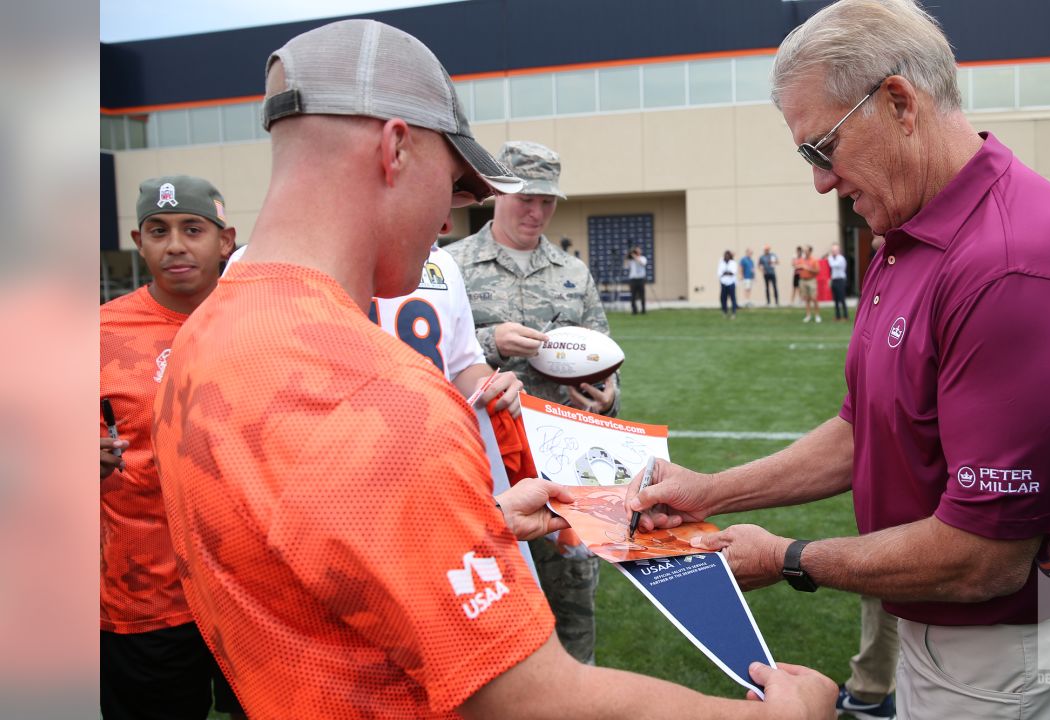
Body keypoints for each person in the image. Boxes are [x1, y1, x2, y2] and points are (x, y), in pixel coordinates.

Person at [151, 19, 833, 720]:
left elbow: (305, 555)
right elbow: (533, 702)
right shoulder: (377, 395)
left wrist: (484, 523)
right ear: (395, 149)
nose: (449, 220)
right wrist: (779, 715)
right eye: (453, 187)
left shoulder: (201, 336)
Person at [631, 2, 1050, 718]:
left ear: (899, 102)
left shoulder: (1012, 266)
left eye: (822, 149)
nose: (820, 180)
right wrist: (711, 491)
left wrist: (788, 557)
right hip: (955, 633)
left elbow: (984, 559)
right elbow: (863, 426)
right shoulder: (910, 228)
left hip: (1026, 649)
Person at [448, 140, 617, 666]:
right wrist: (491, 340)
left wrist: (607, 396)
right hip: (483, 472)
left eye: (547, 201)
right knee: (488, 604)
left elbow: (603, 359)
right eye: (526, 198)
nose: (537, 211)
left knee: (573, 595)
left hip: (562, 466)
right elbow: (424, 359)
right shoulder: (450, 267)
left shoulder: (572, 272)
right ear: (498, 192)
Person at [100, 175, 244, 719]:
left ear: (225, 240)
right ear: (139, 242)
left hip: (249, 589)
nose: (176, 245)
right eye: (158, 231)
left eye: (193, 229)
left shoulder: (262, 320)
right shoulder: (95, 334)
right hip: (143, 598)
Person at [798, 245, 821, 323]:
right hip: (803, 280)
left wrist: (808, 268)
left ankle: (817, 315)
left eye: (806, 251)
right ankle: (808, 315)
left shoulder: (814, 260)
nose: (805, 252)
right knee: (806, 299)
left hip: (811, 280)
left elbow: (817, 271)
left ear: (810, 251)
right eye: (804, 251)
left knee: (814, 298)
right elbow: (797, 267)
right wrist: (799, 268)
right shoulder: (802, 260)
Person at [826, 243, 849, 320]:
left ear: (839, 251)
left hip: (840, 280)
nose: (833, 251)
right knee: (835, 299)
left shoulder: (840, 258)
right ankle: (838, 316)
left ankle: (846, 316)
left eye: (835, 250)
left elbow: (833, 265)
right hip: (834, 280)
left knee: (842, 298)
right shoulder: (833, 258)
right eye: (832, 250)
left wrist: (829, 258)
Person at [625, 245, 648, 314]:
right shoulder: (631, 260)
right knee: (633, 295)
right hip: (633, 279)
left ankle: (643, 310)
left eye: (638, 250)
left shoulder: (643, 258)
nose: (637, 251)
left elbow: (642, 263)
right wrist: (627, 255)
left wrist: (634, 256)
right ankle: (634, 310)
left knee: (642, 295)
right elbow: (625, 266)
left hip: (641, 279)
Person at [718, 249, 739, 319]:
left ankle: (734, 313)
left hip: (731, 283)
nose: (727, 256)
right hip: (723, 283)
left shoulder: (733, 263)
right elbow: (720, 273)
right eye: (725, 255)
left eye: (728, 255)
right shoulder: (721, 263)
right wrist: (727, 273)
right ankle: (724, 311)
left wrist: (726, 273)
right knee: (723, 298)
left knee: (733, 298)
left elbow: (733, 272)